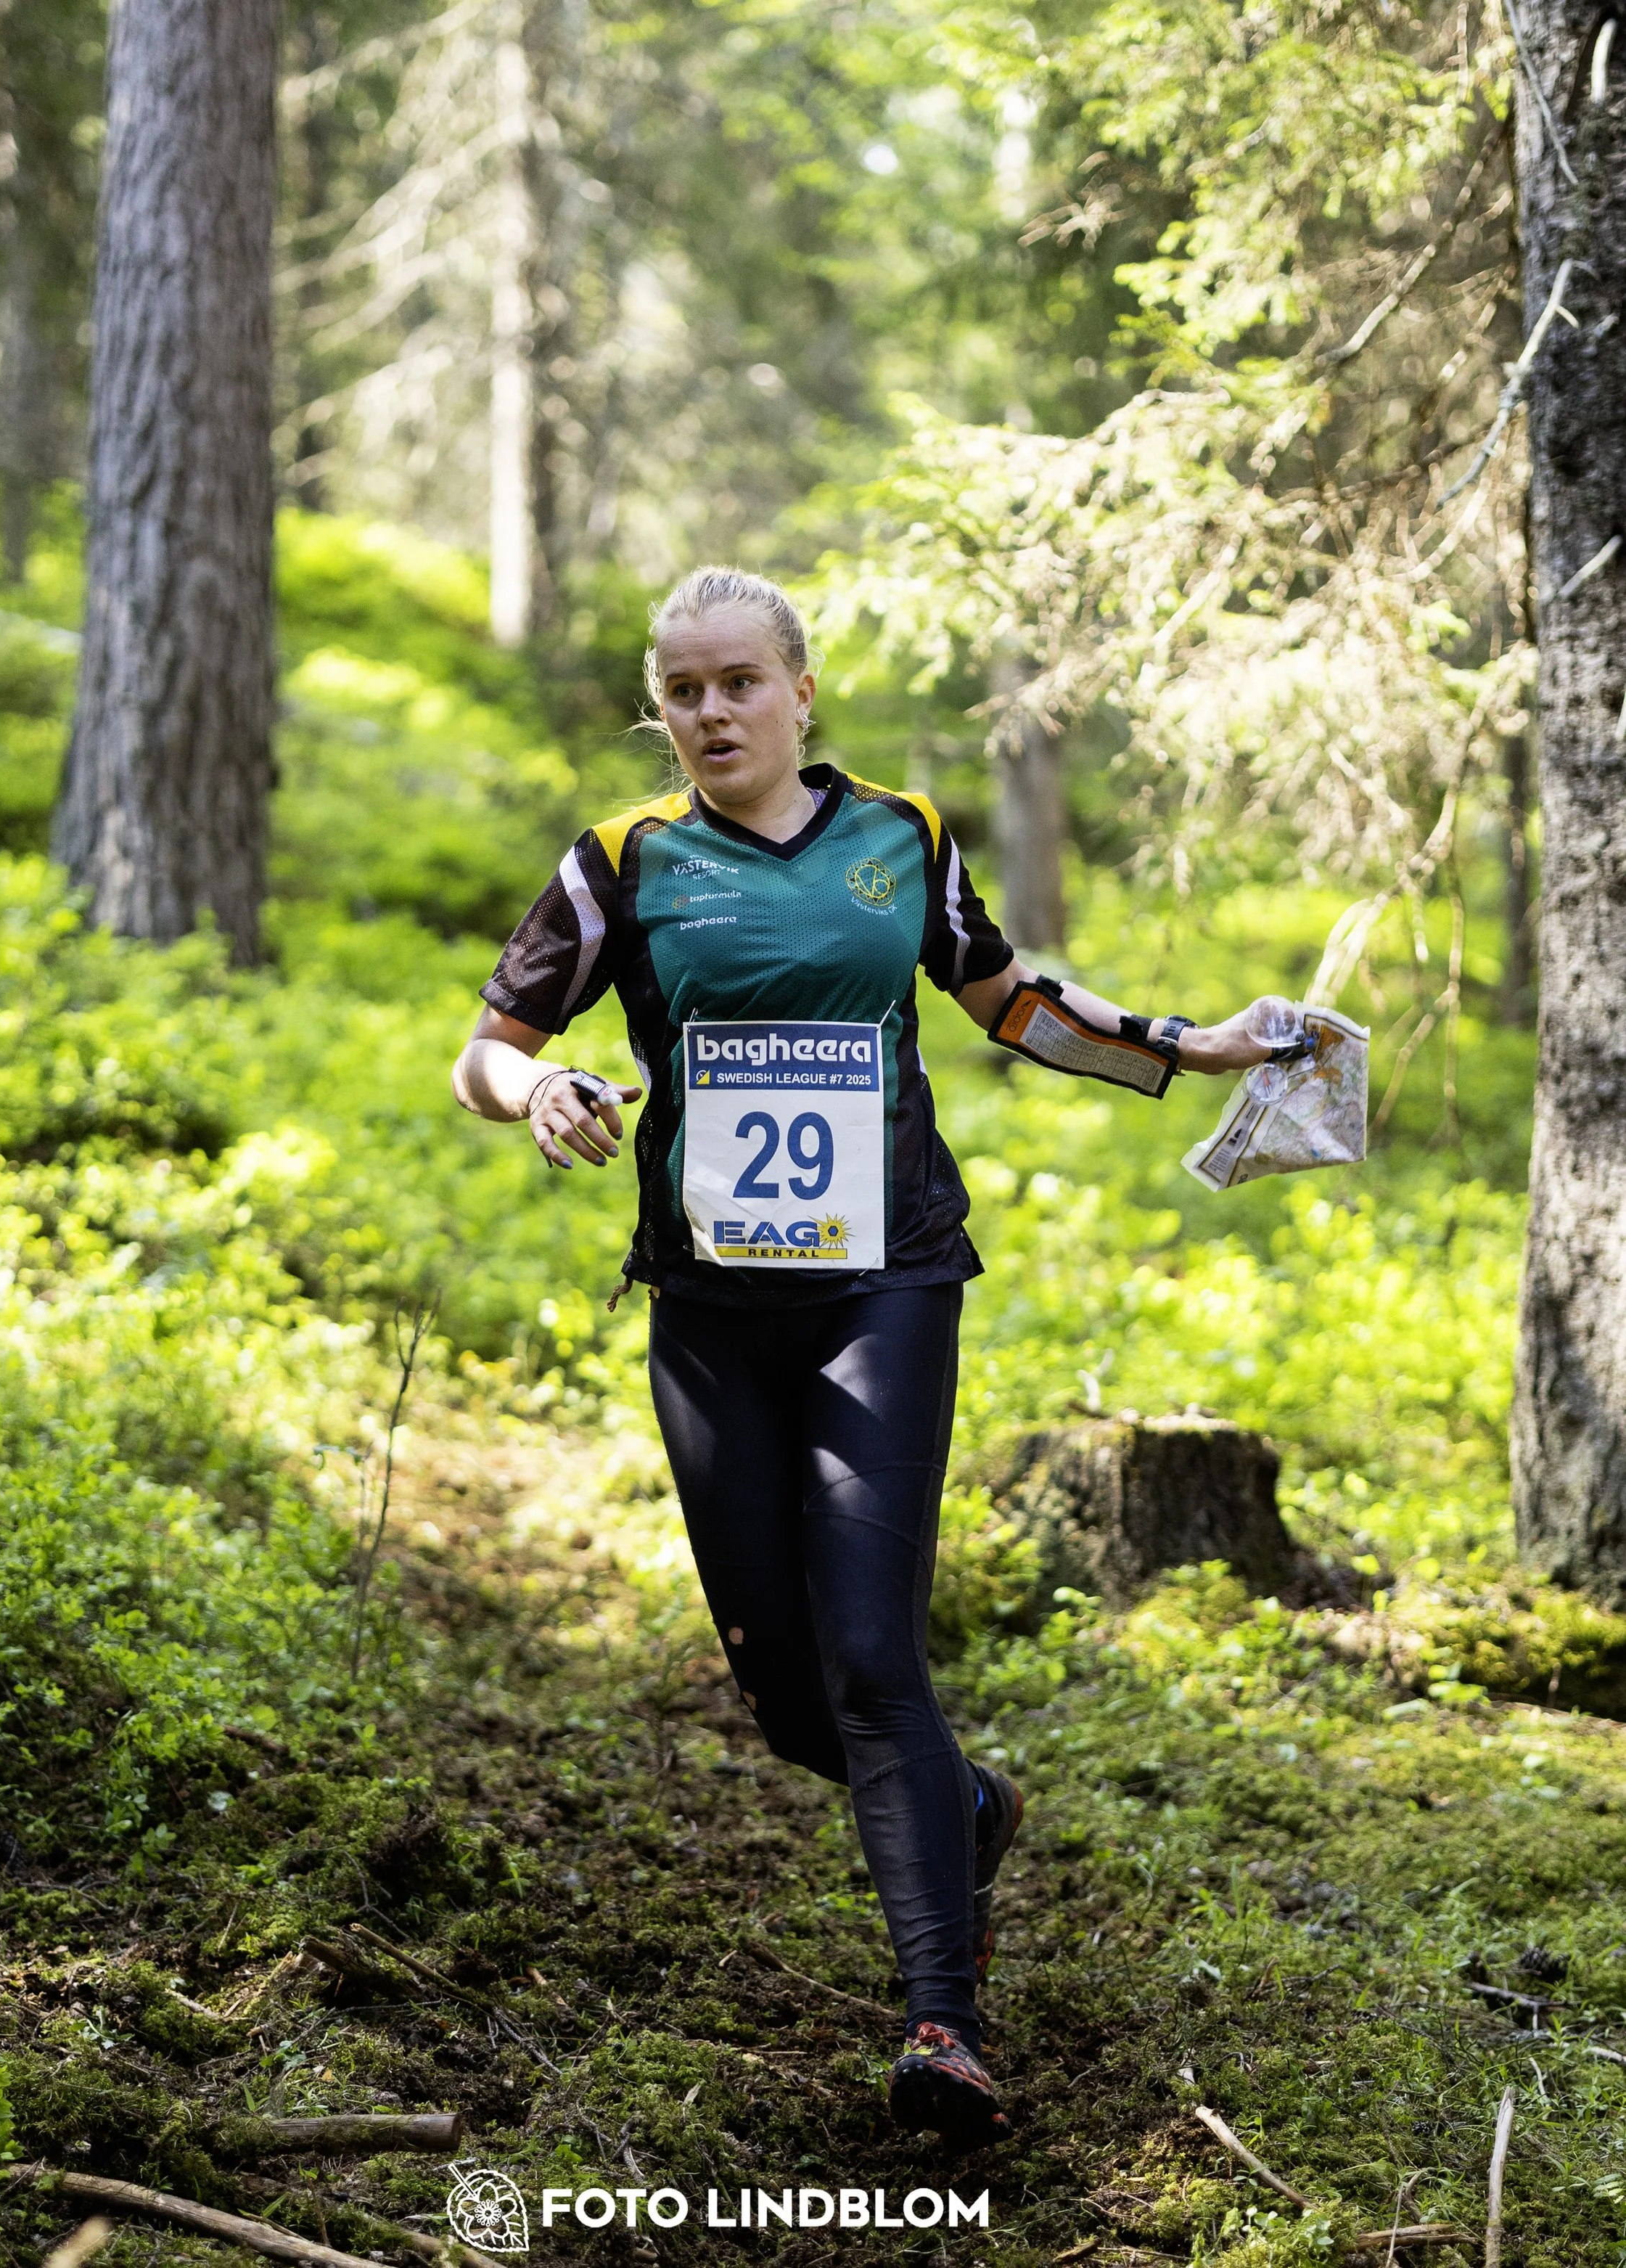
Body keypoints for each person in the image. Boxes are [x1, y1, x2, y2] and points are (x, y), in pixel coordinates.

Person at [452, 566, 1274, 2144]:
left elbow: (1009, 1000)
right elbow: (489, 1043)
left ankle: (941, 2021)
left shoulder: (897, 836)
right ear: (658, 704)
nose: (710, 713)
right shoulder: (622, 861)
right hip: (706, 1312)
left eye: (737, 683)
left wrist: (1188, 1043)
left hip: (884, 1281)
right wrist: (532, 1094)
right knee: (783, 1696)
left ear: (799, 690)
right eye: (681, 689)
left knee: (876, 1655)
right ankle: (966, 1813)